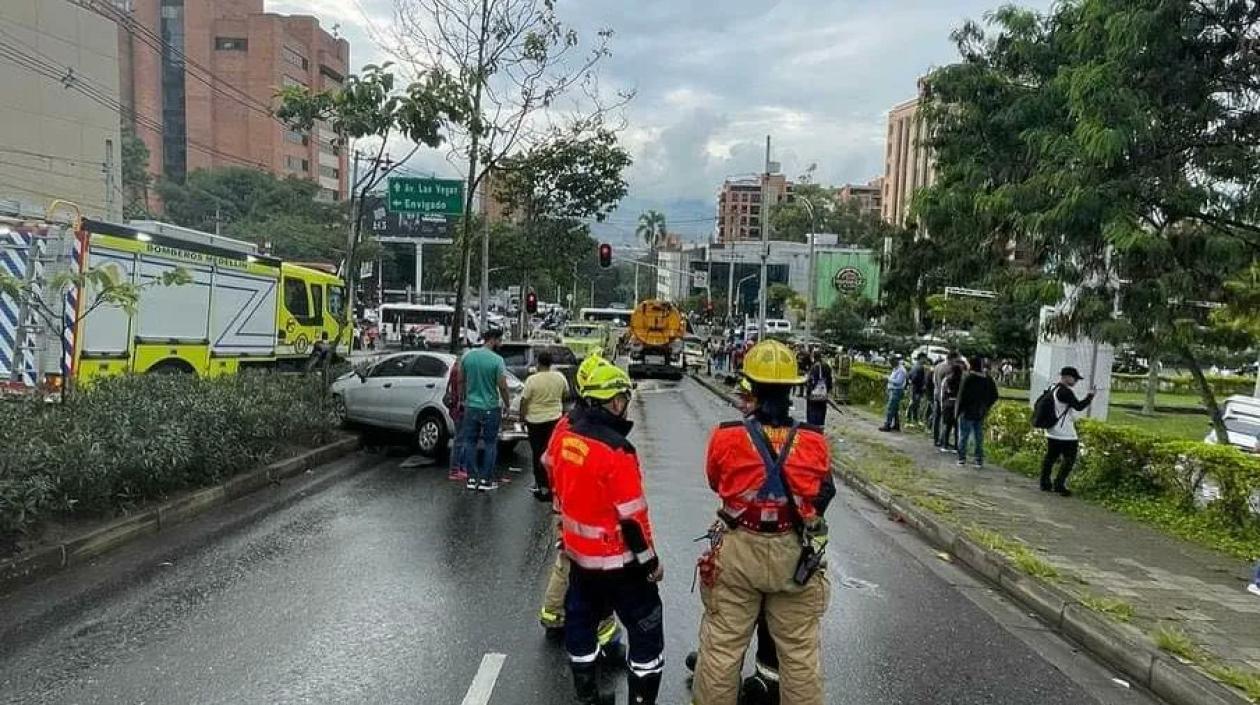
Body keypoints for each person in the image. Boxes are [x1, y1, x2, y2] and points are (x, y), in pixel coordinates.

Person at [692, 340, 832, 705]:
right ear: (792, 389)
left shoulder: (726, 437)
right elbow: (823, 493)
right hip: (792, 553)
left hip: (739, 548)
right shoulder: (814, 442)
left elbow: (715, 482)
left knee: (722, 648)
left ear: (750, 388)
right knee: (800, 655)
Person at [550, 363, 664, 705]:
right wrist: (651, 562)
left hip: (581, 562)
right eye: (624, 398)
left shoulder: (565, 437)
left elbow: (558, 489)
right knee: (646, 636)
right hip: (622, 564)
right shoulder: (616, 450)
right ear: (615, 402)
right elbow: (632, 517)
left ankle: (587, 696)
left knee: (580, 625)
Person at [458, 329, 510, 492]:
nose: (500, 344)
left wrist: (462, 398)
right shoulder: (497, 360)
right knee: (490, 444)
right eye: (499, 341)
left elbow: (460, 380)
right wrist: (507, 404)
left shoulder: (468, 356)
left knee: (470, 442)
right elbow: (502, 385)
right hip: (491, 407)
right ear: (493, 340)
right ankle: (486, 480)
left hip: (471, 406)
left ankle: (472, 478)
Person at [1040, 366, 1096, 496]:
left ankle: (1045, 483)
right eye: (1074, 379)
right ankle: (1059, 484)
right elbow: (1078, 406)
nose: (1076, 382)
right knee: (1069, 458)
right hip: (1065, 432)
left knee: (1050, 457)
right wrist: (1090, 396)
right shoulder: (1065, 392)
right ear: (1067, 377)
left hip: (1052, 429)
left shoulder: (1053, 388)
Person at [521, 350, 568, 501]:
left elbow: (524, 401)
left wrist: (522, 417)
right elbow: (565, 394)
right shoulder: (559, 377)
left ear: (538, 363)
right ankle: (554, 482)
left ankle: (540, 483)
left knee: (537, 453)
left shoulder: (532, 380)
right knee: (553, 452)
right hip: (554, 418)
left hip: (535, 420)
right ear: (551, 363)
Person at [955, 357, 999, 467]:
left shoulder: (968, 378)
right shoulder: (988, 379)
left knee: (963, 436)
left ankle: (962, 458)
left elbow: (961, 396)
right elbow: (995, 395)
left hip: (967, 411)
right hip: (980, 412)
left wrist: (957, 411)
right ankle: (978, 459)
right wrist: (986, 406)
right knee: (978, 437)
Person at [933, 351, 962, 448]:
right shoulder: (950, 369)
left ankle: (936, 438)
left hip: (937, 393)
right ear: (952, 359)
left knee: (937, 418)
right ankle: (943, 440)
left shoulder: (937, 366)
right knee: (946, 420)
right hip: (947, 397)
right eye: (956, 360)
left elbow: (934, 380)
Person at [444, 360, 468, 481]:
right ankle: (455, 469)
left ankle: (460, 468)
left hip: (456, 409)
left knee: (462, 438)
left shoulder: (455, 369)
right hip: (460, 409)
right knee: (460, 439)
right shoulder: (460, 372)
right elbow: (461, 392)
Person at [939, 361, 965, 453]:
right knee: (957, 427)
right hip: (958, 404)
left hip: (948, 403)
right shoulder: (962, 380)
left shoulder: (947, 380)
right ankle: (956, 447)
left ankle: (944, 445)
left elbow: (942, 393)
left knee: (947, 425)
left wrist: (942, 405)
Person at [879, 355, 908, 432]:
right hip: (893, 390)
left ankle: (887, 425)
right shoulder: (895, 369)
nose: (890, 364)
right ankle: (896, 425)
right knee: (894, 409)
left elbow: (899, 382)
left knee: (890, 408)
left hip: (896, 390)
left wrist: (888, 379)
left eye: (891, 362)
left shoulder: (901, 370)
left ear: (895, 361)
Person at [805, 352, 833, 427]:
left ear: (813, 357)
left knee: (813, 412)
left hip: (814, 395)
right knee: (822, 411)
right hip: (823, 394)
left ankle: (813, 428)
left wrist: (808, 390)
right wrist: (828, 390)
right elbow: (830, 380)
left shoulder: (814, 367)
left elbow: (811, 381)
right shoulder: (827, 366)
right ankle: (820, 426)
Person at [907, 353, 929, 426]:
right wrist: (922, 385)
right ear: (921, 358)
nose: (926, 360)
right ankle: (909, 419)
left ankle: (914, 419)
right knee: (913, 404)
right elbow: (915, 378)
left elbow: (909, 376)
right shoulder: (919, 367)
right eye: (925, 358)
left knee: (916, 404)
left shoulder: (915, 366)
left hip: (914, 388)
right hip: (917, 389)